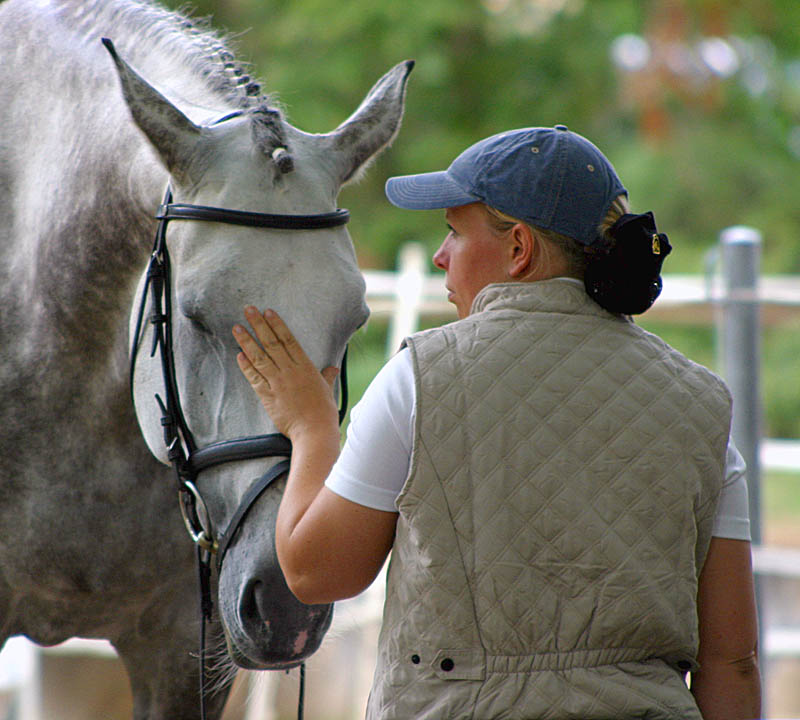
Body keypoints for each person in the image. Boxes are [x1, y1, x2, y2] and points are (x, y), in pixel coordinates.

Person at [233, 125, 761, 719]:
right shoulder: (704, 404)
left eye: (455, 232)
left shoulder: (421, 379)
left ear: (519, 249)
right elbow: (731, 662)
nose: (440, 256)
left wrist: (311, 429)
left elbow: (313, 571)